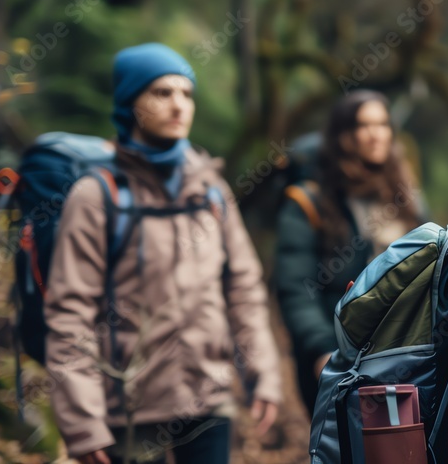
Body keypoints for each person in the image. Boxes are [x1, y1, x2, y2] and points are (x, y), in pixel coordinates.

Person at [44, 43, 282, 464]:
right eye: (161, 93)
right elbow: (69, 313)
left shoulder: (210, 190)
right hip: (129, 408)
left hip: (209, 397)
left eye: (186, 93)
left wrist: (263, 373)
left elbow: (244, 287)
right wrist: (83, 421)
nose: (178, 105)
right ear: (130, 103)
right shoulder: (97, 196)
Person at [273, 90, 425, 416]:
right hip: (338, 356)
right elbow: (296, 287)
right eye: (363, 125)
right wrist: (322, 350)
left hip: (408, 351)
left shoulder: (403, 193)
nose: (375, 134)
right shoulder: (310, 201)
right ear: (343, 135)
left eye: (383, 124)